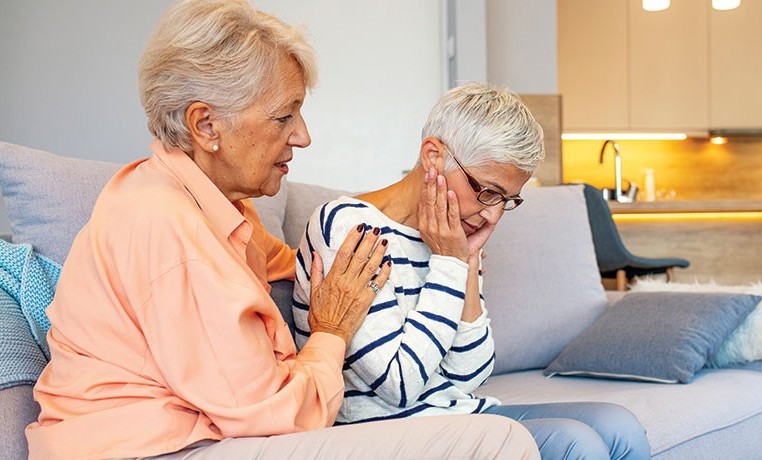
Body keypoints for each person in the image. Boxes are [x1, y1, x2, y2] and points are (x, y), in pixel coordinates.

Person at [24, 1, 540, 459]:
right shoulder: (166, 228)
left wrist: (410, 233)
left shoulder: (216, 207)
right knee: (501, 440)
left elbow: (305, 260)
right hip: (154, 450)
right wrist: (331, 333)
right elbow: (272, 412)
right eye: (283, 116)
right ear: (206, 126)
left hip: (205, 433)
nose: (303, 135)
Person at [293, 83, 652, 460]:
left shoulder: (453, 233)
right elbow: (398, 385)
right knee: (575, 443)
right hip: (387, 432)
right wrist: (450, 264)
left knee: (618, 426)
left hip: (458, 416)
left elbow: (469, 375)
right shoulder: (349, 226)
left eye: (507, 200)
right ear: (433, 157)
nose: (493, 214)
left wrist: (463, 264)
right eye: (487, 191)